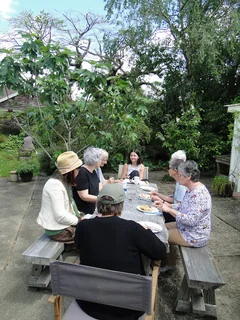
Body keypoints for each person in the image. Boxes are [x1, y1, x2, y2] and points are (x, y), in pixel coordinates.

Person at [74, 183, 166, 320]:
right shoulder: (132, 228)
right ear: (121, 206)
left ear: (98, 204)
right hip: (129, 309)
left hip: (90, 304)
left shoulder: (82, 226)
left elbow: (79, 247)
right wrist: (145, 230)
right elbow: (160, 252)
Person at [154, 160, 212, 247]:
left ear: (188, 176)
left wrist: (169, 210)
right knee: (156, 228)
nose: (178, 177)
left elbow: (191, 221)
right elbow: (184, 206)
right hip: (184, 228)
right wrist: (166, 205)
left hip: (194, 235)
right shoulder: (191, 189)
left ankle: (158, 259)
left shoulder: (199, 195)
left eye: (180, 175)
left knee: (157, 237)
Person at [37, 151, 82, 244]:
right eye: (78, 168)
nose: (79, 171)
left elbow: (71, 205)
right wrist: (79, 221)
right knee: (92, 234)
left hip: (62, 226)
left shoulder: (62, 181)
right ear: (70, 171)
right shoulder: (55, 186)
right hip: (58, 230)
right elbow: (60, 216)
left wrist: (81, 217)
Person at [151, 150, 188, 223]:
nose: (168, 170)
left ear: (175, 170)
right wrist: (158, 195)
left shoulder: (182, 185)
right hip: (174, 211)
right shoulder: (178, 182)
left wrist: (162, 202)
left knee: (154, 214)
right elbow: (173, 199)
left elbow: (179, 207)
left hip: (177, 217)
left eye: (169, 168)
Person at [73, 146, 102, 215]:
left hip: (93, 208)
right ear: (95, 160)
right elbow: (84, 196)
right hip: (83, 211)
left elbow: (98, 187)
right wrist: (102, 199)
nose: (101, 161)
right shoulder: (82, 173)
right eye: (100, 159)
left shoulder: (93, 170)